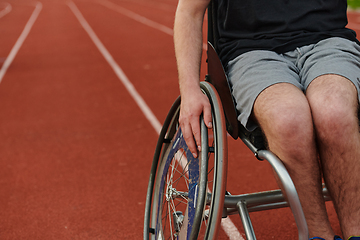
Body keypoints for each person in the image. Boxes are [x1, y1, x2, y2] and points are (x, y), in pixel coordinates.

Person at [173, 0, 360, 239]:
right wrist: (189, 92)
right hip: (251, 51)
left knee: (335, 113)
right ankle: (317, 234)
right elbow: (189, 11)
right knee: (288, 120)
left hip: (328, 40)